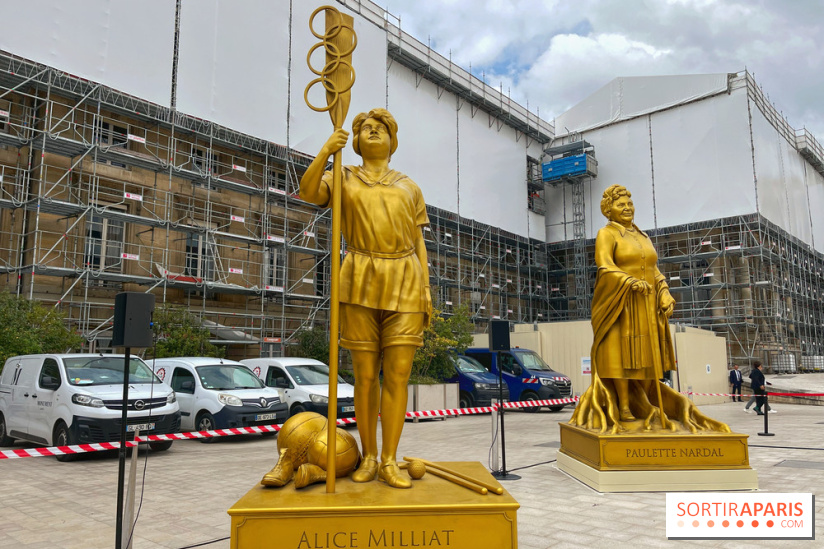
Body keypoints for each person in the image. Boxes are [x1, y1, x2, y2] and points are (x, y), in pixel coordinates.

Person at [299, 108, 432, 489]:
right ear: (354, 142)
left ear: (393, 141)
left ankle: (390, 459)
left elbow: (419, 240)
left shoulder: (409, 186)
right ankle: (369, 456)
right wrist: (326, 149)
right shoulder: (342, 175)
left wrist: (425, 286)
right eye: (365, 129)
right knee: (364, 375)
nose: (372, 133)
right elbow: (309, 193)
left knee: (398, 375)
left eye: (380, 129)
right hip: (359, 274)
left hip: (406, 278)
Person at [591, 184, 677, 421]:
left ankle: (646, 402)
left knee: (644, 356)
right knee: (619, 354)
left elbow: (654, 270)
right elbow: (605, 265)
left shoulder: (643, 236)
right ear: (609, 210)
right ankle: (624, 406)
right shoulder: (606, 234)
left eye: (629, 204)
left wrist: (665, 292)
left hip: (646, 306)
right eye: (621, 205)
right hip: (620, 304)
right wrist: (628, 281)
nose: (627, 208)